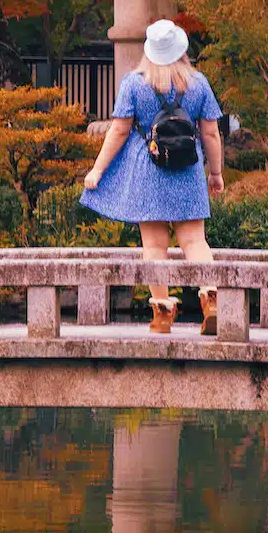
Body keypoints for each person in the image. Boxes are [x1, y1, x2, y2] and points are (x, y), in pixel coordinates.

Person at [80, 20, 226, 336]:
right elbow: (211, 132)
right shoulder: (198, 83)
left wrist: (98, 169)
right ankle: (210, 297)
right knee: (194, 240)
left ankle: (161, 314)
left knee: (155, 246)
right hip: (188, 169)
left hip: (150, 170)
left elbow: (118, 129)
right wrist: (215, 173)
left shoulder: (134, 83)